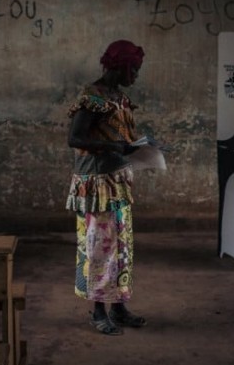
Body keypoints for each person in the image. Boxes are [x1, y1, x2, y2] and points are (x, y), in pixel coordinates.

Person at [66, 39, 149, 336]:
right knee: (100, 248)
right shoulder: (92, 96)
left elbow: (120, 136)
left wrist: (132, 149)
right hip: (96, 183)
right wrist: (110, 147)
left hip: (117, 182)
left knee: (122, 246)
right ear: (121, 66)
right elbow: (75, 138)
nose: (136, 76)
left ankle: (118, 307)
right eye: (134, 70)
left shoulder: (119, 97)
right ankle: (98, 312)